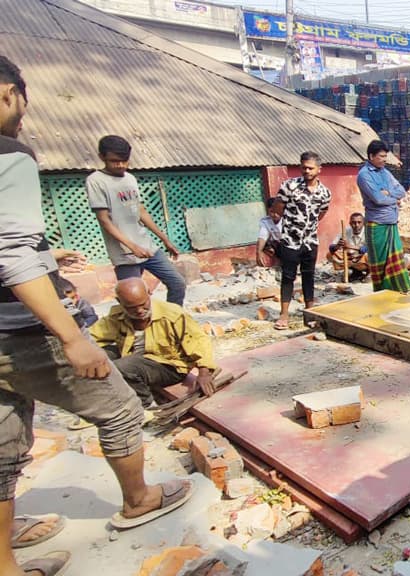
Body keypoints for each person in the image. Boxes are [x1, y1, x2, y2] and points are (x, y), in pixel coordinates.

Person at [0, 54, 193, 575]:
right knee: (121, 406)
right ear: (7, 93)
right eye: (23, 99)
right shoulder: (10, 153)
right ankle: (139, 500)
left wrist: (49, 256)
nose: (24, 112)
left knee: (4, 437)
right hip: (16, 328)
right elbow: (10, 252)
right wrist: (70, 337)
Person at [87, 135, 187, 307]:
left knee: (177, 283)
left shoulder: (130, 178)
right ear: (102, 157)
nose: (121, 165)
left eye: (125, 161)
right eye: (115, 161)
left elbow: (140, 210)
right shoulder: (96, 181)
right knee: (132, 299)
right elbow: (104, 221)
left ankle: (171, 321)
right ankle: (135, 331)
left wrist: (165, 239)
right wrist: (132, 247)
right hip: (124, 253)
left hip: (147, 246)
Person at [90, 278, 218, 408]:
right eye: (131, 308)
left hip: (169, 365)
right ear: (120, 302)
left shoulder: (172, 313)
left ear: (149, 293)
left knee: (122, 367)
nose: (139, 311)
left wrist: (204, 372)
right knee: (96, 357)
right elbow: (92, 337)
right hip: (134, 356)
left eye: (143, 304)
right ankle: (108, 398)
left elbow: (199, 340)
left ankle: (148, 407)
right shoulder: (117, 316)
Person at [275, 151, 332, 329]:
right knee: (288, 276)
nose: (306, 171)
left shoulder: (324, 193)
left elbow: (322, 213)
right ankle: (284, 315)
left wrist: (309, 227)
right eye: (303, 167)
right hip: (290, 241)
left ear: (319, 170)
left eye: (310, 168)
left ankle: (310, 313)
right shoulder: (289, 186)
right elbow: (278, 208)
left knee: (309, 276)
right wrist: (292, 226)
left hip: (310, 241)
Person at [358, 140, 410, 294]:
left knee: (396, 261)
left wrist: (388, 193)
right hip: (377, 224)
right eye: (381, 156)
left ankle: (398, 293)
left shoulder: (385, 172)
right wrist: (393, 199)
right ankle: (382, 295)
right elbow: (378, 199)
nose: (384, 159)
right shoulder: (364, 175)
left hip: (391, 222)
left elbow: (401, 190)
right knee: (380, 264)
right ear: (371, 156)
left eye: (385, 156)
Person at [329, 212, 370, 283]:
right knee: (330, 255)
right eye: (354, 223)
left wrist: (350, 247)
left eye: (359, 222)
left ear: (363, 223)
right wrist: (338, 246)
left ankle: (370, 273)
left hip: (362, 258)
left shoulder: (368, 231)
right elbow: (331, 247)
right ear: (350, 223)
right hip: (351, 258)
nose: (356, 225)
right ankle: (356, 273)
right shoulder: (346, 231)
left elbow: (369, 248)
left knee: (369, 255)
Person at [256, 196, 284, 268]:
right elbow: (262, 237)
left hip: (290, 245)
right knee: (264, 246)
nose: (275, 215)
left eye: (277, 212)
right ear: (267, 211)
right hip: (278, 244)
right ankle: (278, 264)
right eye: (272, 211)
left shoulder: (287, 219)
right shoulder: (265, 221)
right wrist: (258, 252)